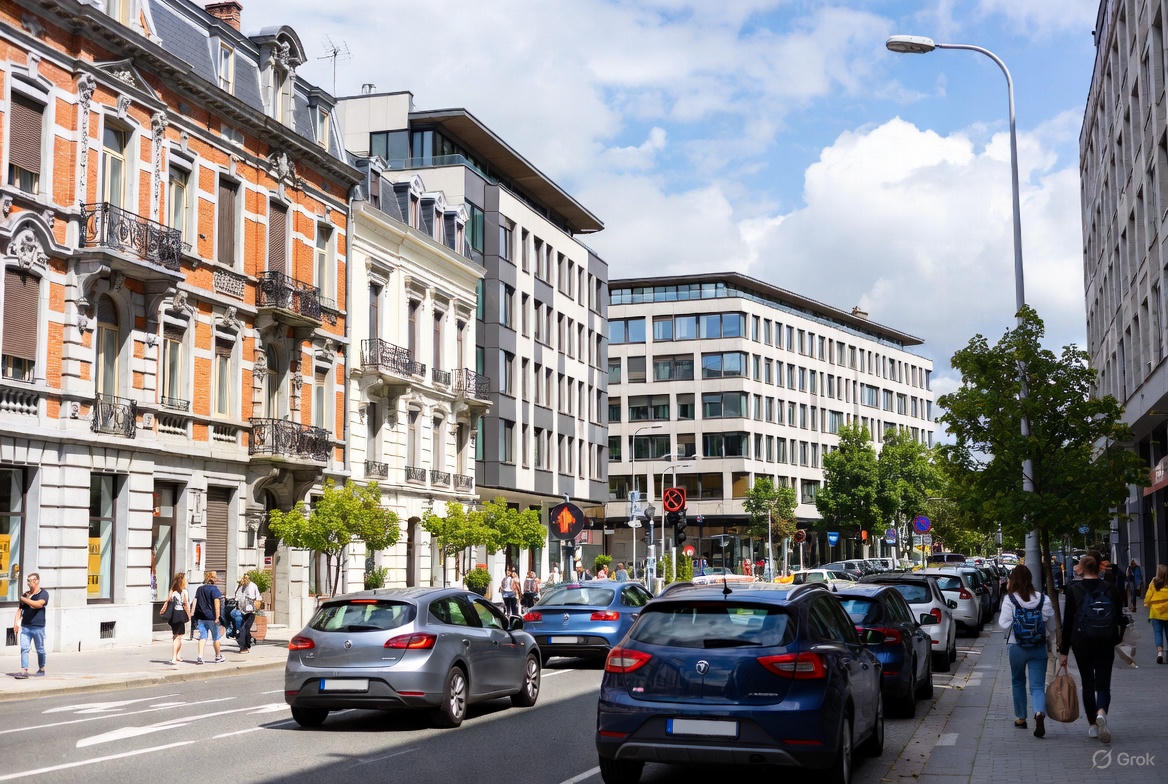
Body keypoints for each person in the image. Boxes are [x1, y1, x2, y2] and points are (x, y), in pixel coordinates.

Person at [1059, 554, 1126, 743]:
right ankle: (1102, 712)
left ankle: (1092, 725)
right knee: (1103, 683)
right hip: (1105, 641)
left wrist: (1064, 651)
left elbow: (1068, 622)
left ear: (1081, 568)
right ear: (1099, 568)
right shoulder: (1111, 589)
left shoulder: (1073, 590)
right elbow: (1120, 618)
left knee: (1088, 683)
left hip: (1081, 641)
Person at [998, 565, 1055, 738]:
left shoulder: (1010, 600)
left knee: (1018, 681)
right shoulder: (1043, 599)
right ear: (1030, 579)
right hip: (1038, 647)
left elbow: (1003, 624)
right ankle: (1039, 712)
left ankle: (1021, 718)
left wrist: (1018, 627)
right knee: (1038, 686)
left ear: (1013, 580)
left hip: (1017, 647)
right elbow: (1051, 626)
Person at [11, 572, 48, 679]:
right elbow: (19, 610)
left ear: (36, 581)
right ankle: (24, 670)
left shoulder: (43, 593)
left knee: (40, 649)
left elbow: (38, 605)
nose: (28, 582)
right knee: (24, 648)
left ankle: (41, 668)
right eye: (27, 580)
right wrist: (16, 623)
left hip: (38, 627)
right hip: (26, 627)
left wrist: (25, 599)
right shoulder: (25, 594)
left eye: (30, 580)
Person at [193, 570, 225, 664]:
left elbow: (195, 601)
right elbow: (217, 604)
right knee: (216, 637)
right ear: (212, 578)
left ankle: (200, 657)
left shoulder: (199, 589)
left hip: (201, 618)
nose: (217, 579)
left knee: (203, 637)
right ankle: (218, 656)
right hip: (211, 618)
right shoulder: (214, 589)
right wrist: (217, 617)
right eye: (215, 577)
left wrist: (193, 614)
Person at [160, 573, 191, 665]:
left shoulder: (172, 591)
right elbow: (185, 604)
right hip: (180, 614)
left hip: (173, 615)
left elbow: (168, 601)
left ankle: (177, 655)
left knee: (175, 636)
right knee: (179, 637)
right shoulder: (184, 592)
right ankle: (174, 657)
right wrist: (189, 615)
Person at [1144, 563, 1168, 664]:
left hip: (1155, 613)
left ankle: (1160, 653)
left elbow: (1148, 597)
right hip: (1167, 613)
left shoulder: (1153, 583)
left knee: (1158, 633)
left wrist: (1147, 606)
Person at [234, 573, 262, 654]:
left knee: (244, 628)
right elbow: (258, 597)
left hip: (242, 610)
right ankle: (244, 646)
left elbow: (236, 597)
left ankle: (246, 645)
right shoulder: (252, 585)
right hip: (250, 610)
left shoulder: (241, 586)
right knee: (245, 628)